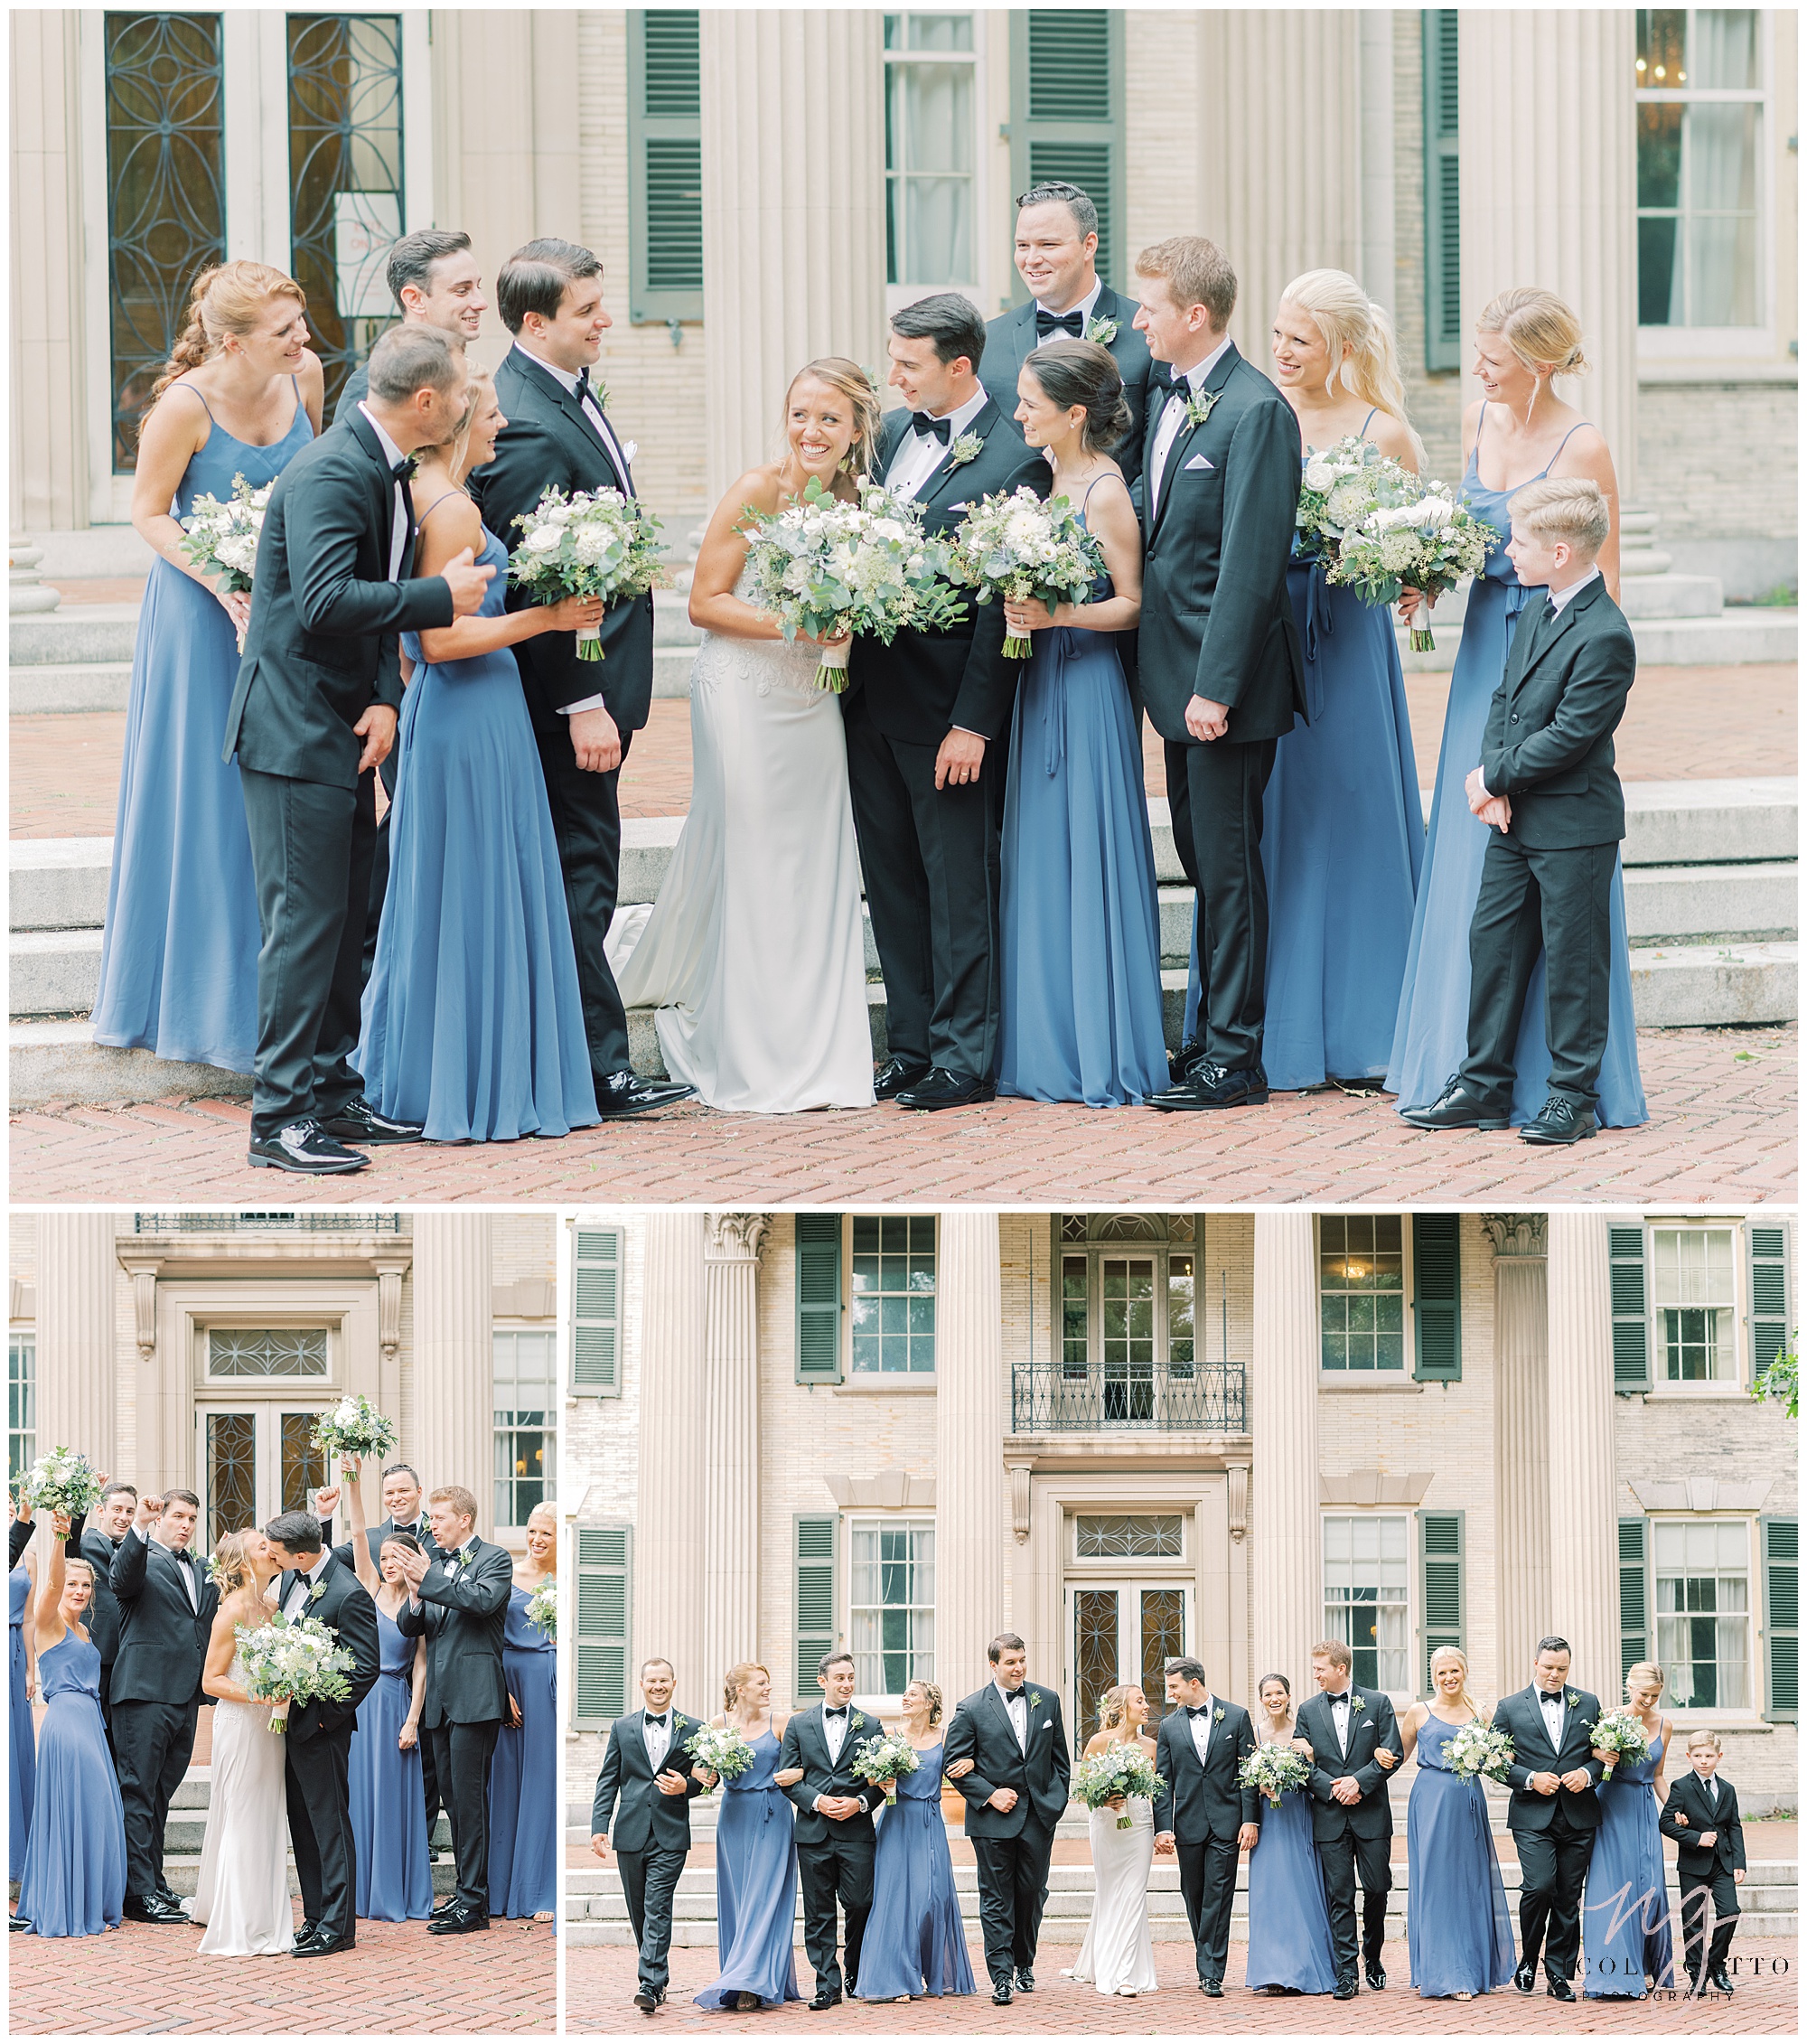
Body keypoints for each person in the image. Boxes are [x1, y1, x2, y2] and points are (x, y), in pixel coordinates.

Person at [224, 323, 493, 1174]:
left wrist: (383, 699)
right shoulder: (334, 469)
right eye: (461, 392)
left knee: (346, 919)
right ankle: (278, 1119)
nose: (467, 404)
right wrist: (440, 596)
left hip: (344, 723)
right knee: (303, 926)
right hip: (293, 730)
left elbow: (363, 598)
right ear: (428, 402)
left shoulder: (381, 462)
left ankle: (333, 1092)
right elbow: (326, 600)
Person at [1387, 286, 1646, 1131]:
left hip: (1558, 645)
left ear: (1538, 364)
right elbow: (1472, 538)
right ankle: (1466, 1067)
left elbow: (1603, 579)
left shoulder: (1585, 444)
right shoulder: (1477, 420)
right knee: (1480, 855)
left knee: (1556, 870)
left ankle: (1565, 1083)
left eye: (1495, 360)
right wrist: (1424, 574)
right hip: (1487, 658)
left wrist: (1587, 683)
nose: (1481, 372)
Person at [611, 361, 880, 1111]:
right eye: (799, 415)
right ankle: (755, 1049)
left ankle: (819, 1045)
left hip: (812, 700)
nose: (811, 432)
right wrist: (801, 624)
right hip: (744, 692)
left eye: (829, 419)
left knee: (816, 863)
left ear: (857, 429)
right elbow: (703, 601)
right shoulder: (758, 490)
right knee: (759, 860)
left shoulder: (861, 505)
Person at [1178, 271, 1424, 1094]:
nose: (1281, 351)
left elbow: (1415, 549)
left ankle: (1363, 1026)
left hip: (1345, 640)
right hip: (1258, 633)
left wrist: (1389, 565)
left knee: (1347, 819)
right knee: (1264, 830)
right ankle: (1262, 1025)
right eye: (1278, 334)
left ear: (1343, 349)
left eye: (1300, 339)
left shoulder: (1383, 433)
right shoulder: (1251, 410)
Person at [470, 238, 694, 1122]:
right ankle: (599, 1070)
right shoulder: (523, 417)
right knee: (582, 877)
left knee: (583, 874)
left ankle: (581, 1060)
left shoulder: (563, 390)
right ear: (535, 323)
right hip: (572, 693)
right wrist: (582, 702)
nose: (606, 320)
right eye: (588, 310)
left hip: (597, 682)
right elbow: (540, 573)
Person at [353, 367, 603, 1141]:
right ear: (458, 421)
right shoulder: (455, 511)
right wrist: (548, 617)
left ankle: (443, 1070)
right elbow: (439, 640)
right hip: (472, 708)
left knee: (455, 889)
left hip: (464, 710)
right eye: (492, 415)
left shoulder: (425, 499)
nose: (503, 428)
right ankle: (476, 1082)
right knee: (472, 889)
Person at [91, 262, 322, 1077]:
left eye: (301, 324)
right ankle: (207, 1007)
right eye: (284, 331)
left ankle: (282, 997)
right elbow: (148, 513)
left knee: (276, 788)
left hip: (283, 614)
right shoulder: (184, 404)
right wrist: (222, 578)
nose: (304, 340)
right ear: (233, 342)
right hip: (201, 613)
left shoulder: (308, 381)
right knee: (207, 789)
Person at [844, 295, 1051, 1111]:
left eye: (908, 365)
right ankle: (912, 1043)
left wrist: (974, 722)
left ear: (960, 366)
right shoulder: (890, 437)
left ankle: (965, 1055)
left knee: (959, 885)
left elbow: (1006, 608)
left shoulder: (1015, 459)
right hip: (871, 701)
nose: (892, 377)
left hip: (948, 713)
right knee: (892, 881)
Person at [1132, 238, 1306, 1114]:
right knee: (1201, 860)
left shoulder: (1254, 412)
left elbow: (1248, 563)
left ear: (1193, 315)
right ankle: (1205, 1036)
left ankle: (1235, 1060)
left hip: (1220, 691)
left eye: (1149, 308)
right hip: (1170, 681)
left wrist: (1215, 686)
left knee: (1230, 869)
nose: (1137, 321)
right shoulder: (1171, 401)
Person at [996, 341, 1167, 1107]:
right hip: (1036, 685)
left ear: (1073, 413)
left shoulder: (1103, 489)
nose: (1018, 412)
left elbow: (1133, 602)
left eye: (1031, 401)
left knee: (1088, 853)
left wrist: (1058, 611)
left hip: (1089, 686)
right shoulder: (1038, 481)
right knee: (1038, 857)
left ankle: (1102, 1051)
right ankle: (1045, 1050)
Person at [329, 229, 490, 975]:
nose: (478, 302)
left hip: (450, 664)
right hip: (400, 661)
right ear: (414, 300)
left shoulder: (475, 388)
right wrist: (383, 684)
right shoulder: (364, 411)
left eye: (478, 285)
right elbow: (357, 557)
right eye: (461, 289)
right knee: (394, 856)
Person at [392, 1485, 511, 1934]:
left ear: (463, 1519)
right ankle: (466, 1893)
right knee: (451, 1802)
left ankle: (474, 1905)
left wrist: (430, 1579)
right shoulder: (435, 1567)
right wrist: (415, 1591)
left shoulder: (495, 1559)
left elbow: (481, 1603)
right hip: (439, 1701)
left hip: (476, 1699)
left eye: (438, 1518)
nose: (431, 1525)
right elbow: (410, 1626)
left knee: (470, 1801)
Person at [982, 180, 1154, 489]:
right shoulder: (988, 341)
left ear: (1089, 245)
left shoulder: (1146, 334)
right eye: (1022, 245)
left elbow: (1156, 461)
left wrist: (1123, 520)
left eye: (1048, 245)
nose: (1031, 259)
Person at [263, 1510, 381, 1956]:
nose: (273, 1559)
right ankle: (315, 1917)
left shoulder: (348, 1593)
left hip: (322, 1729)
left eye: (277, 1553)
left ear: (302, 1552)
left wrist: (320, 1719)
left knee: (330, 1827)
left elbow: (365, 1667)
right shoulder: (295, 1579)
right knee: (305, 1825)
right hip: (292, 1726)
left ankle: (339, 1926)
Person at [942, 1632, 1072, 2006]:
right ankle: (1001, 1977)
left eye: (1022, 1660)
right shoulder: (970, 1709)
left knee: (1032, 1894)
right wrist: (989, 1794)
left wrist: (1056, 1803)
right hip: (992, 1820)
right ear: (994, 1665)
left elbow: (1060, 1759)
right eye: (1010, 1662)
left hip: (1038, 1816)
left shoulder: (1047, 1700)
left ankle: (1023, 1961)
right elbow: (956, 1766)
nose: (1018, 1668)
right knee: (996, 1898)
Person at [108, 1488, 216, 1924]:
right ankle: (138, 1894)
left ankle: (154, 1882)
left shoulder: (203, 1568)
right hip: (144, 1694)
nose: (186, 1525)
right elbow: (120, 1580)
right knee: (138, 1791)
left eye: (192, 1518)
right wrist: (140, 1526)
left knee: (160, 1795)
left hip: (186, 1695)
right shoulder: (141, 1558)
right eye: (178, 1517)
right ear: (162, 1518)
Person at [333, 1461, 434, 1923]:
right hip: (361, 1704)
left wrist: (413, 1718)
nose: (390, 1564)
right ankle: (360, 1892)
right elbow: (357, 1534)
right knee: (359, 1795)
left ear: (412, 1562)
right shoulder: (369, 1588)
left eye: (398, 1558)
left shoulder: (421, 1603)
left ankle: (395, 1890)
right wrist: (352, 1480)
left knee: (393, 1800)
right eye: (386, 1557)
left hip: (396, 1704)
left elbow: (421, 1666)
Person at [14, 1528, 125, 1936]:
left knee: (97, 1810)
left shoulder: (84, 1631)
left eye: (86, 1585)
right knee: (81, 1805)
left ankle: (88, 1899)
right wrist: (61, 1533)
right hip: (66, 1722)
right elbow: (53, 1582)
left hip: (91, 1723)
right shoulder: (49, 1622)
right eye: (73, 1584)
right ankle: (69, 1905)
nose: (77, 1591)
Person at [190, 1528, 295, 1955]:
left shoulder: (272, 1607)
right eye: (261, 1545)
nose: (271, 1549)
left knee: (267, 1814)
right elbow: (210, 1681)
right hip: (240, 1723)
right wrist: (257, 1695)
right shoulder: (231, 1610)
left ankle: (258, 1909)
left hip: (271, 1726)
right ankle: (240, 1920)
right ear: (244, 1562)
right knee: (243, 1813)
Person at [1492, 1636, 1606, 2000]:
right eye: (1548, 1667)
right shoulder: (1509, 1707)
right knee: (1540, 1886)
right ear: (1535, 1664)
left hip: (1579, 1814)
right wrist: (1529, 1778)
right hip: (1531, 1815)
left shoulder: (1589, 1702)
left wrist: (1587, 1774)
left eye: (1562, 1668)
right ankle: (1528, 1958)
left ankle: (1559, 1974)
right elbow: (1492, 1761)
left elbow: (1603, 1754)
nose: (1555, 1675)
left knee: (1568, 1897)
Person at [591, 1657, 708, 2015]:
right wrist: (599, 1827)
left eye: (664, 1681)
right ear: (640, 1684)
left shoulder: (695, 1728)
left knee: (657, 1906)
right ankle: (658, 1975)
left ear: (674, 1683)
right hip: (630, 1832)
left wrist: (685, 1785)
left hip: (671, 1834)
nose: (658, 1686)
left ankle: (649, 1983)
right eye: (652, 1681)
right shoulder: (622, 1727)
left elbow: (705, 1781)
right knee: (639, 1911)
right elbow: (608, 1779)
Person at [1398, 1647, 1516, 1999]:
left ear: (1465, 1672)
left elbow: (1504, 1756)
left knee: (1467, 1883)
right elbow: (1396, 1756)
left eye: (1455, 1671)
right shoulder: (1419, 1712)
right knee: (1434, 1884)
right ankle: (1436, 1969)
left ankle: (1465, 1970)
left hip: (1466, 1799)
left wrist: (1498, 1755)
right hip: (1429, 1800)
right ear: (1433, 1676)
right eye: (1442, 1673)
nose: (1449, 1678)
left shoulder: (1481, 1713)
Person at [853, 1678, 975, 2002]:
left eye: (913, 1694)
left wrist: (972, 1761)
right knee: (895, 1900)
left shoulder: (945, 1738)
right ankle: (898, 1979)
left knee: (931, 1897)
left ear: (930, 1703)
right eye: (904, 1694)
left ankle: (930, 1971)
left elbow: (963, 1766)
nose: (905, 1698)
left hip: (929, 1822)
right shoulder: (890, 1737)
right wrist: (881, 1779)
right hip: (897, 1819)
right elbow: (870, 1777)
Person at [693, 1662, 803, 2011]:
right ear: (741, 1690)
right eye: (761, 1683)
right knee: (740, 1900)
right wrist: (702, 1773)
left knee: (765, 1898)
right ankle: (741, 1975)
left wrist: (797, 1771)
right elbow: (703, 1771)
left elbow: (803, 1765)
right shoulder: (717, 1725)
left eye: (768, 1683)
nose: (768, 1688)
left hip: (774, 1813)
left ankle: (750, 1983)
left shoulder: (782, 1723)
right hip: (734, 1815)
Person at [1294, 1639, 1400, 1998]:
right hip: (1329, 1816)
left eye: (1320, 1668)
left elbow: (1393, 1753)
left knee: (1377, 1888)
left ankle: (1373, 1955)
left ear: (1341, 1668)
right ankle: (1347, 1972)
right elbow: (1299, 1761)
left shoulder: (1378, 1703)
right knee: (1339, 1895)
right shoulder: (1308, 1710)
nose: (1315, 1675)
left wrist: (1359, 1781)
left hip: (1371, 1813)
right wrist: (1333, 1787)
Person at [778, 1651, 883, 2007]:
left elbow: (879, 1782)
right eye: (840, 1678)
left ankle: (853, 1967)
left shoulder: (871, 1725)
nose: (847, 1684)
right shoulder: (798, 1724)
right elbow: (787, 1778)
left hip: (856, 1832)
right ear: (822, 1681)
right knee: (818, 1911)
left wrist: (860, 1803)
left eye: (851, 1677)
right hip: (813, 1832)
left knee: (860, 1903)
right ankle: (827, 1983)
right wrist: (818, 1801)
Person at [1151, 1656, 1259, 1996]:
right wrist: (1162, 1827)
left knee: (1219, 1895)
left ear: (1193, 1683)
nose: (1170, 1694)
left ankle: (1211, 1970)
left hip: (1226, 1822)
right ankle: (1206, 1953)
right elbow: (1163, 1781)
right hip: (1188, 1823)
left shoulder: (1237, 1716)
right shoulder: (1168, 1726)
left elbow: (1247, 1773)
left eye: (1174, 1687)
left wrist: (1249, 1818)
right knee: (1193, 1894)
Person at [1582, 1661, 1674, 1998]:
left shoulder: (1665, 1725)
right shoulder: (1609, 1717)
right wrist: (1599, 1752)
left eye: (1655, 1695)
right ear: (1629, 1687)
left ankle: (1649, 1966)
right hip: (1610, 1806)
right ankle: (1614, 1975)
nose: (1648, 1700)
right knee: (1612, 1888)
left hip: (1644, 1808)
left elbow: (1659, 1775)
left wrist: (1676, 1807)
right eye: (1643, 1694)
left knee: (1650, 1888)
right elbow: (1589, 1754)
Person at [1242, 1672, 1337, 1995]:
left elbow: (1319, 1772)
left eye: (1280, 1692)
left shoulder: (1302, 1731)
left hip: (1297, 1813)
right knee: (1271, 1893)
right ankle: (1272, 1971)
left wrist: (1309, 1756)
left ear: (1288, 1695)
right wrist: (1261, 1787)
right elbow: (1243, 1780)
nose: (1274, 1699)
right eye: (1268, 1694)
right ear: (1261, 1699)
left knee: (1302, 1888)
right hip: (1268, 1820)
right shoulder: (1254, 1733)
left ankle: (1302, 1967)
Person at [1067, 1683, 1160, 1998]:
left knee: (1134, 1894)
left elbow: (1155, 1791)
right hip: (1107, 1824)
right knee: (1109, 1892)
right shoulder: (1098, 1741)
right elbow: (1084, 1789)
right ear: (1122, 1709)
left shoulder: (1151, 1746)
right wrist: (1105, 1799)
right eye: (1140, 1700)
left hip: (1139, 1826)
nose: (1146, 1705)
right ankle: (1102, 1960)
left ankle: (1123, 1974)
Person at [488, 1502, 557, 1920]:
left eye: (545, 1533)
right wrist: (500, 1689)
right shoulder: (507, 1574)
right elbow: (489, 1635)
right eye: (531, 1530)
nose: (535, 1539)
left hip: (546, 1681)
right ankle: (500, 1891)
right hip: (509, 1678)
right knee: (506, 1779)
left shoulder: (570, 1579)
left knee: (541, 1779)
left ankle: (537, 1889)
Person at [1659, 1730, 1746, 1997]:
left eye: (1709, 1756)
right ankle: (1697, 1973)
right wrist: (1696, 1837)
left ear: (1719, 1757)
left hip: (1723, 1862)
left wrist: (1739, 1862)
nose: (1704, 1761)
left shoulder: (1728, 1789)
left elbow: (1734, 1827)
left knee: (1731, 1911)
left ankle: (1717, 1965)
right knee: (1693, 1920)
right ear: (1689, 1757)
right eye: (1698, 1756)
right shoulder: (1681, 1787)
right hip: (1693, 1864)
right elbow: (1665, 1823)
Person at [69, 1483, 136, 1731]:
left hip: (131, 1649)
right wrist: (82, 1495)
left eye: (130, 1511)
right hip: (98, 1644)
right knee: (94, 1719)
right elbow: (68, 1542)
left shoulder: (140, 1546)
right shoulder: (86, 1543)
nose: (123, 1517)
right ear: (100, 1510)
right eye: (117, 1509)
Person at [10, 1508, 37, 1885]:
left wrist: (32, 1668)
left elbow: (30, 1617)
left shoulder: (28, 1555)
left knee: (17, 1749)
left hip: (15, 1650)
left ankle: (17, 1860)